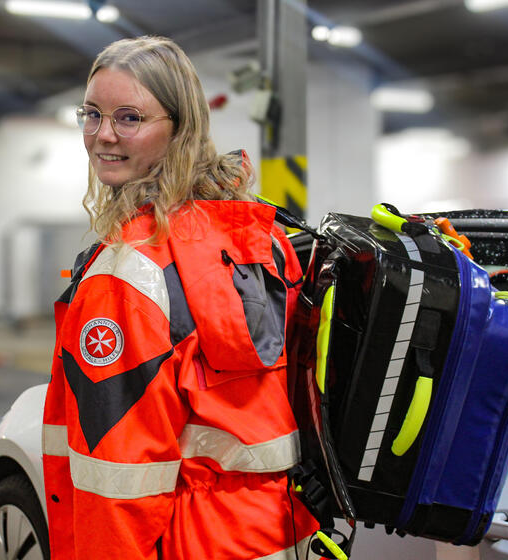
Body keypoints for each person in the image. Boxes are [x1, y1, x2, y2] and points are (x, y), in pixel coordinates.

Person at [41, 35, 318, 560]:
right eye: (92, 114)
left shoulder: (126, 276)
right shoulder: (256, 239)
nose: (102, 135)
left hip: (188, 542)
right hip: (276, 533)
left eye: (128, 118)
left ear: (179, 128)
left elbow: (119, 480)